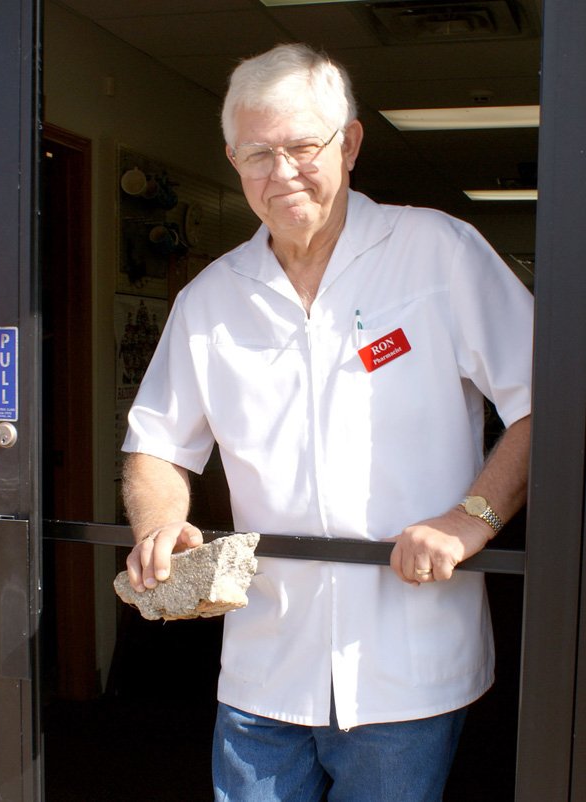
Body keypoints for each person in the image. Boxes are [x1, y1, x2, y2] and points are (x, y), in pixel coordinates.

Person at [122, 43, 533, 802]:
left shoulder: (436, 253)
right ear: (232, 159)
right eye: (257, 154)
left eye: (303, 147)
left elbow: (546, 403)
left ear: (349, 142)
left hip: (406, 670)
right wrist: (161, 523)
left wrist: (471, 517)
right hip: (263, 668)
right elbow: (156, 444)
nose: (281, 175)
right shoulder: (210, 299)